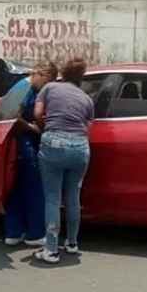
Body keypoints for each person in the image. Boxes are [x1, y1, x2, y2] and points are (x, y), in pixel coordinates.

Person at [32, 57, 95, 264]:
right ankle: (72, 243)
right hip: (80, 149)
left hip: (54, 144)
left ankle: (50, 250)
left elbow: (37, 113)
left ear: (63, 73)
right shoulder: (87, 99)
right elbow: (88, 129)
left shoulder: (49, 88)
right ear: (81, 76)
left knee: (52, 198)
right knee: (73, 196)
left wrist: (45, 127)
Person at [3, 61, 58, 247]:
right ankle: (35, 234)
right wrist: (34, 129)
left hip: (20, 144)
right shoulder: (24, 88)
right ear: (40, 74)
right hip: (23, 143)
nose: (47, 87)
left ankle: (14, 232)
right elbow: (13, 116)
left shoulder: (28, 88)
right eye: (48, 82)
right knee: (34, 188)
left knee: (18, 189)